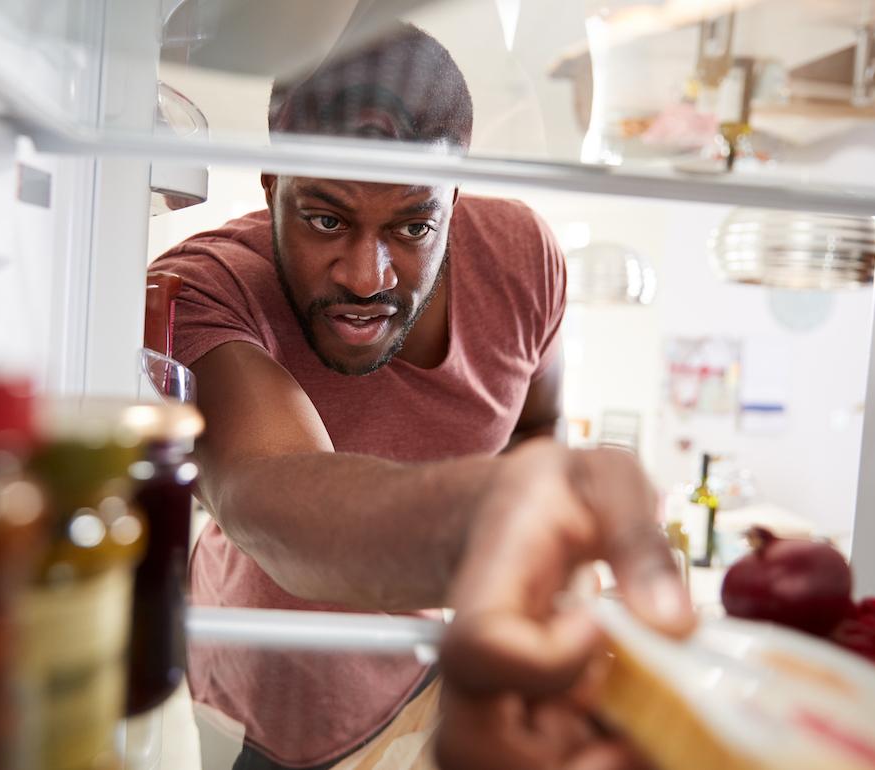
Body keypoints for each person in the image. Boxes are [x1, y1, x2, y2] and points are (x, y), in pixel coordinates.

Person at [152, 20, 694, 770]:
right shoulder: (207, 287)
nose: (366, 276)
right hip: (249, 708)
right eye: (325, 219)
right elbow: (263, 491)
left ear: (453, 202)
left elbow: (536, 424)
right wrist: (499, 524)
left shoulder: (521, 259)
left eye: (412, 224)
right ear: (271, 188)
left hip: (427, 684)